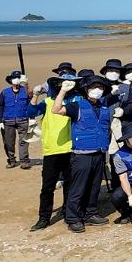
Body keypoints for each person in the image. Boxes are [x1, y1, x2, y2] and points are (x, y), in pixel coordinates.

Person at [51, 74, 116, 233]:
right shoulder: (77, 106)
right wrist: (63, 92)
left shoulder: (104, 107)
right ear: (86, 89)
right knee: (78, 187)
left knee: (94, 187)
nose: (97, 90)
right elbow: (56, 109)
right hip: (82, 155)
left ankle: (90, 213)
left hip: (100, 153)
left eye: (100, 87)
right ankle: (73, 218)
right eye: (94, 87)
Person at [27, 71, 78, 231]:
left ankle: (67, 213)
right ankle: (44, 218)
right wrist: (35, 95)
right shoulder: (48, 102)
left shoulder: (75, 101)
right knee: (47, 187)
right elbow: (31, 112)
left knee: (70, 185)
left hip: (71, 149)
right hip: (51, 150)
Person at [0, 70, 31, 169]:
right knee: (8, 142)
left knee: (24, 141)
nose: (16, 80)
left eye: (18, 78)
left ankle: (24, 161)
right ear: (11, 80)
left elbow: (32, 101)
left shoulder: (25, 91)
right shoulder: (4, 92)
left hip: (23, 120)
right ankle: (11, 160)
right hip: (8, 121)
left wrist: (32, 118)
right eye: (14, 78)